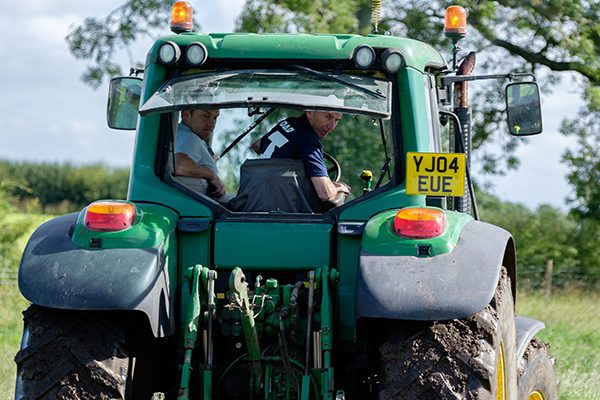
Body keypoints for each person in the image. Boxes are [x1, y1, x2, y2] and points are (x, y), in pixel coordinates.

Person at [252, 111, 350, 206]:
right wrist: (338, 188)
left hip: (253, 198)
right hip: (278, 208)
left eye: (336, 120)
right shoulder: (308, 141)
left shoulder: (288, 123)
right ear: (310, 112)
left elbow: (257, 146)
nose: (332, 127)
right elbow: (325, 194)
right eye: (328, 117)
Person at [174, 109, 226, 197]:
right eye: (205, 116)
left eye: (215, 117)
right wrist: (212, 175)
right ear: (186, 114)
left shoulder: (177, 134)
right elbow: (179, 165)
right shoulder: (189, 136)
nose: (211, 124)